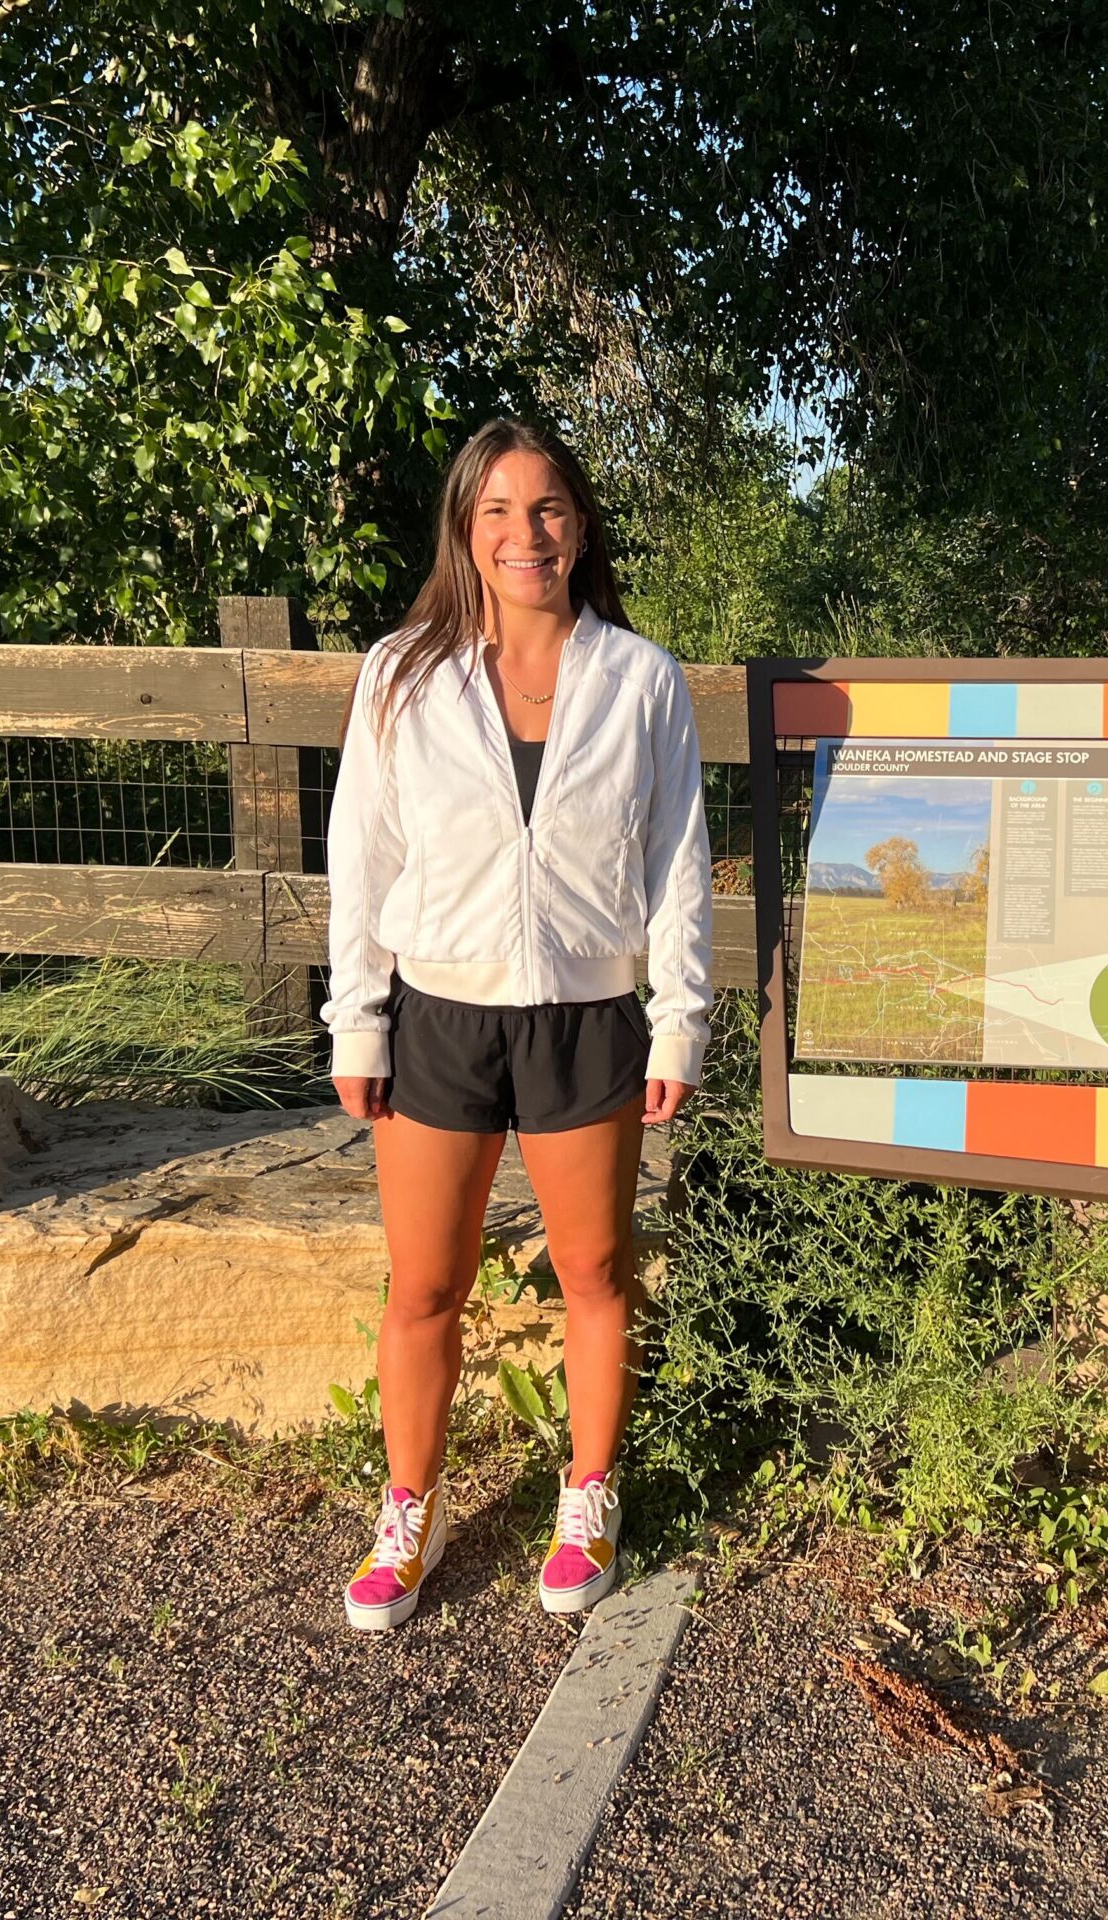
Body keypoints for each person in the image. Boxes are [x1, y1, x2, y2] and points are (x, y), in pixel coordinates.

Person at [321, 419, 713, 1631]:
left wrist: (680, 1019)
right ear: (465, 530)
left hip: (589, 1019)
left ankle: (586, 1492)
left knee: (595, 1271)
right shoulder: (400, 673)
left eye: (546, 510)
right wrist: (359, 1023)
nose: (523, 534)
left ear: (578, 527)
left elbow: (679, 864)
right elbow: (359, 858)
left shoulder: (641, 680)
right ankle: (410, 1507)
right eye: (497, 511)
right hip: (438, 1016)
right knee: (424, 1285)